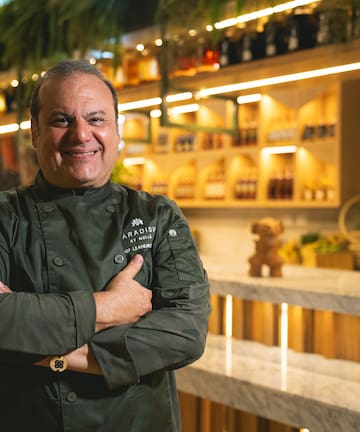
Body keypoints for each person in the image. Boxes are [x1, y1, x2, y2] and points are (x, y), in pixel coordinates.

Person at [0, 59, 210, 431]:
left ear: (116, 131)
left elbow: (184, 333)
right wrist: (108, 308)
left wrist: (56, 355)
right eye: (61, 120)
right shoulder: (5, 217)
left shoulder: (156, 216)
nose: (81, 135)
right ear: (34, 132)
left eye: (96, 119)